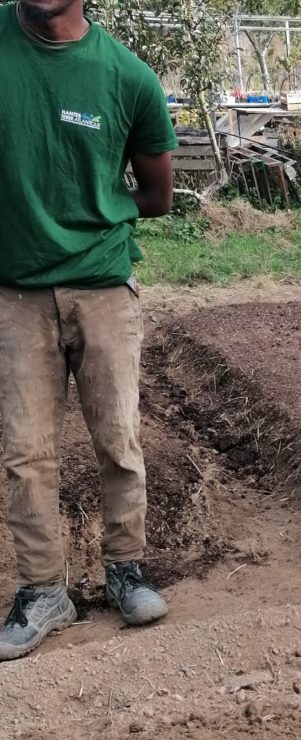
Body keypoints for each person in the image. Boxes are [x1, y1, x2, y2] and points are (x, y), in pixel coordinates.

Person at [0, 0, 178, 661]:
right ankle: (44, 589)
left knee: (118, 438)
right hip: (13, 291)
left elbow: (157, 195)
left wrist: (90, 211)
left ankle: (126, 568)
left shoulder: (128, 78)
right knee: (25, 452)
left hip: (102, 286)